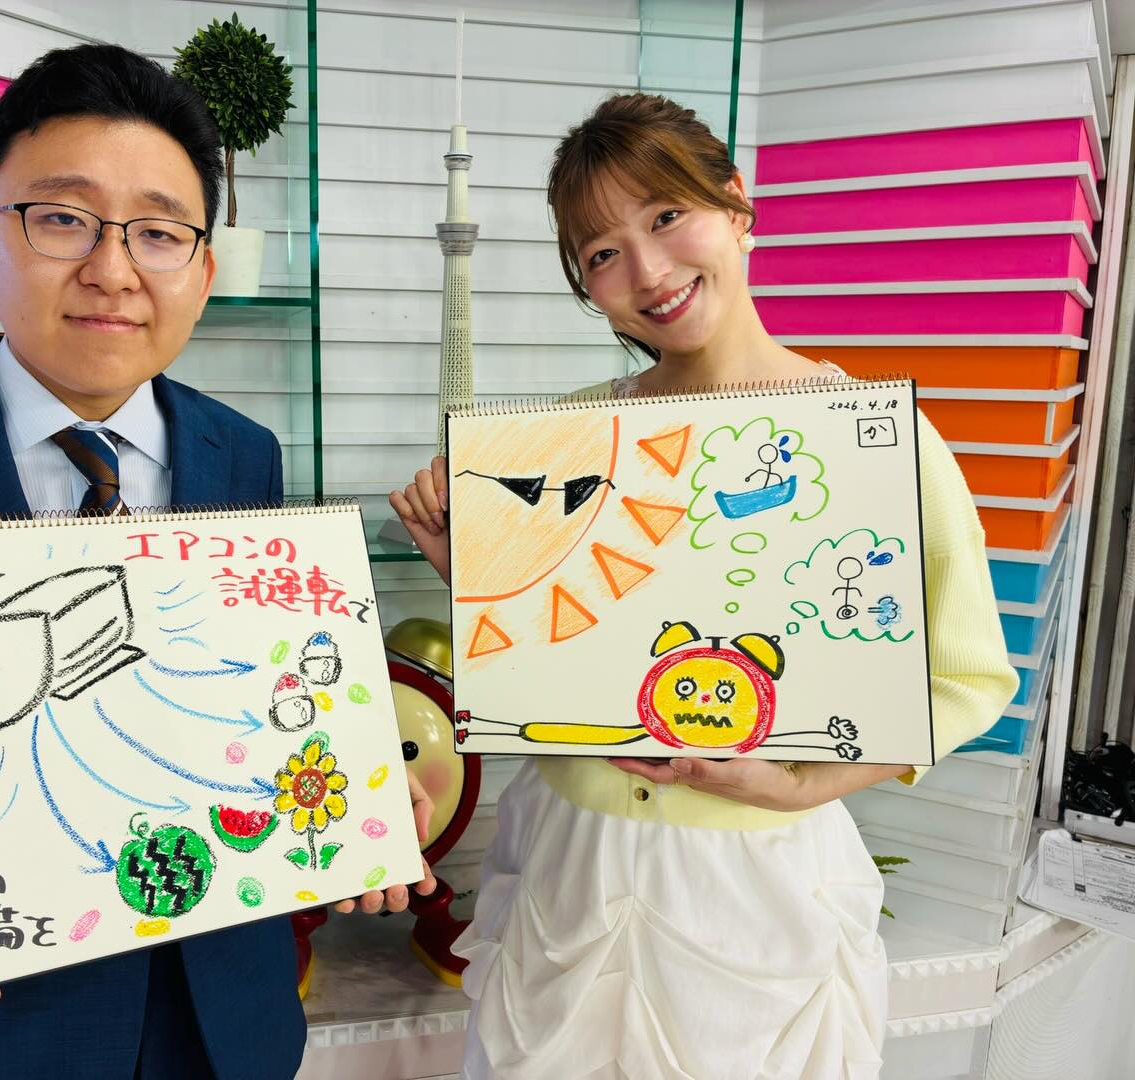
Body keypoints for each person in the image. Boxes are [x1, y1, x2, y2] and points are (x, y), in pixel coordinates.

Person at [0, 43, 430, 1080]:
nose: (112, 269)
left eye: (159, 231)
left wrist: (354, 779)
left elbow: (249, 688)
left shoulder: (243, 453)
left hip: (226, 1022)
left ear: (202, 272)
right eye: (63, 219)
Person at [390, 93, 1018, 1080]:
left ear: (735, 202)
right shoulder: (563, 438)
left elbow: (968, 678)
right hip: (567, 863)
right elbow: (556, 663)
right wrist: (471, 582)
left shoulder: (871, 434)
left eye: (667, 215)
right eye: (602, 252)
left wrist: (800, 785)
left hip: (756, 879)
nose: (647, 271)